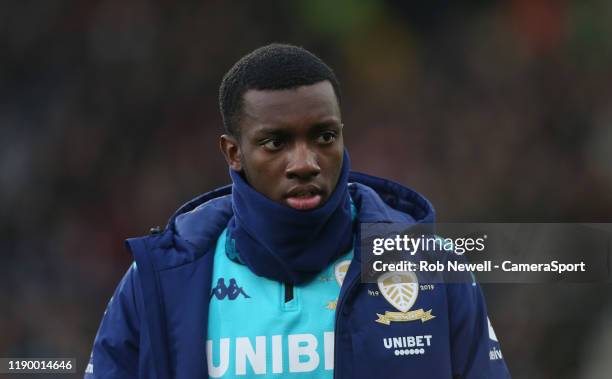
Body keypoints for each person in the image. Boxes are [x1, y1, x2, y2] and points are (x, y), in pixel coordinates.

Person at [85, 43, 511, 378]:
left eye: (324, 136)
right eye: (276, 143)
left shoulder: (434, 266)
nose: (305, 162)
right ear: (234, 152)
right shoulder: (159, 280)